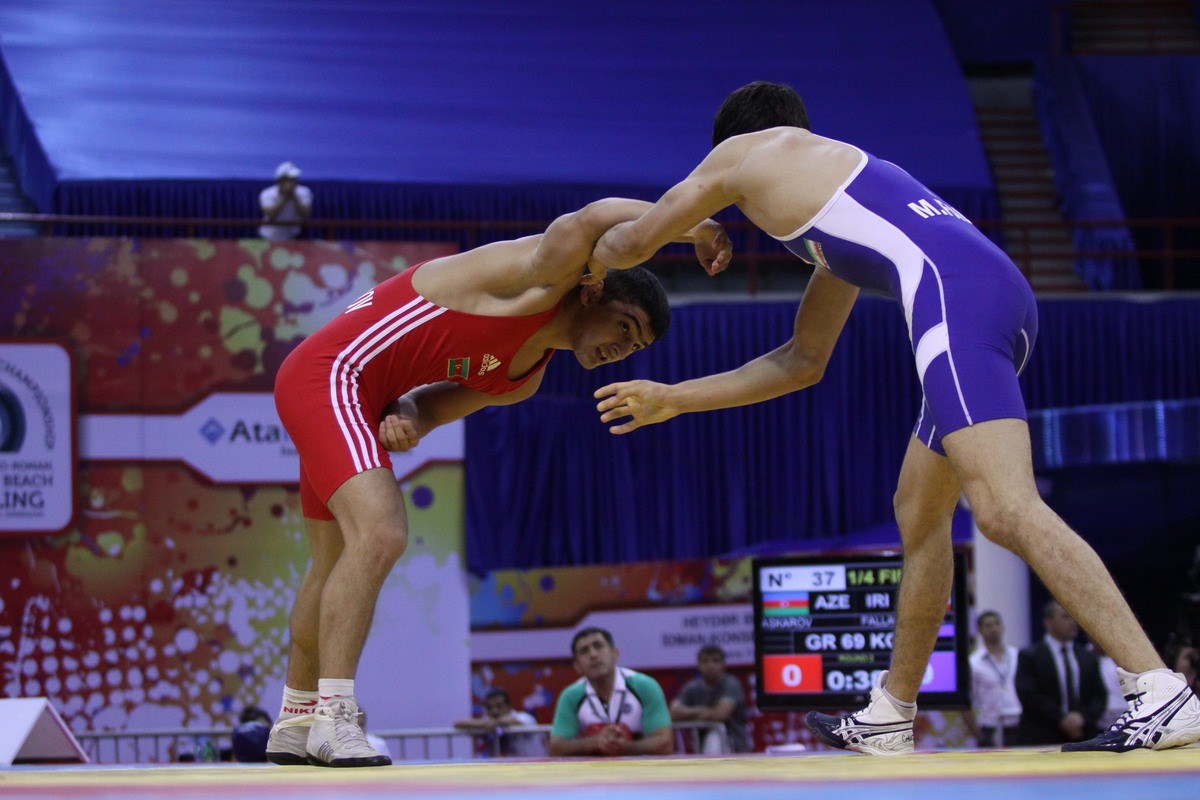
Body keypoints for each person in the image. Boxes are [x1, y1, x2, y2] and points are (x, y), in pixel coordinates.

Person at [586, 80, 1200, 755]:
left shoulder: (748, 152)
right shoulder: (834, 194)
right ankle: (891, 712)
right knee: (919, 510)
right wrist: (675, 397)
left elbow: (630, 243)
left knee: (1003, 508)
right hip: (994, 296)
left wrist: (618, 248)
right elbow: (802, 361)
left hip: (956, 300)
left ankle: (1158, 688)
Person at [265, 199, 725, 768]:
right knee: (381, 534)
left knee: (332, 561)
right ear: (592, 292)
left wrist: (405, 416)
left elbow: (426, 410)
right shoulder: (540, 276)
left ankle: (296, 716)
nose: (620, 349)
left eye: (635, 347)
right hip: (333, 374)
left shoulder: (523, 379)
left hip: (357, 393)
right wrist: (697, 226)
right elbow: (597, 216)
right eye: (623, 327)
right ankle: (335, 717)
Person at [548, 628, 674, 756]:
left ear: (614, 653)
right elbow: (556, 747)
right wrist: (595, 742)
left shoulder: (644, 686)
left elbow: (665, 743)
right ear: (577, 666)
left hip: (639, 767)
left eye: (598, 646)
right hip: (592, 768)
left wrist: (625, 747)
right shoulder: (571, 696)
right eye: (584, 651)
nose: (593, 654)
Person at [1015, 601, 1107, 746]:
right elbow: (1028, 694)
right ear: (1048, 622)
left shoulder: (1088, 656)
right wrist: (1062, 718)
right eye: (1065, 617)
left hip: (1083, 735)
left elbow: (1099, 695)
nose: (1073, 623)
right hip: (1041, 735)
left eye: (1074, 617)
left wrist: (1082, 718)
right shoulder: (1030, 655)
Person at [670, 644, 750, 753]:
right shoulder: (692, 687)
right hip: (700, 749)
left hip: (734, 748)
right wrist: (705, 712)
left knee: (714, 737)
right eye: (705, 661)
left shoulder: (731, 684)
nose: (710, 665)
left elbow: (720, 715)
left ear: (723, 665)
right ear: (698, 665)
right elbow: (673, 713)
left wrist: (689, 715)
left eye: (715, 661)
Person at [965, 611, 1022, 748]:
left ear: (1002, 626)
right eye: (988, 625)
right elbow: (966, 702)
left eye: (997, 624)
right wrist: (979, 735)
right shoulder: (974, 662)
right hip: (990, 726)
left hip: (1019, 724)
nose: (994, 628)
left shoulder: (1017, 656)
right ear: (980, 630)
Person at [455, 688, 543, 757]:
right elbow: (459, 723)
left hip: (531, 767)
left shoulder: (524, 717)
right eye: (489, 707)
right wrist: (483, 724)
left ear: (508, 706)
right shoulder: (487, 722)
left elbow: (513, 721)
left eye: (499, 706)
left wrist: (495, 723)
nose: (494, 711)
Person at [259, 161, 313, 240]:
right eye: (290, 179)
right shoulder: (267, 193)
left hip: (293, 236)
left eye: (295, 179)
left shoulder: (305, 192)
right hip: (269, 236)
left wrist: (294, 196)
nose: (293, 182)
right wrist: (284, 197)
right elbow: (271, 215)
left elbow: (305, 215)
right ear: (281, 181)